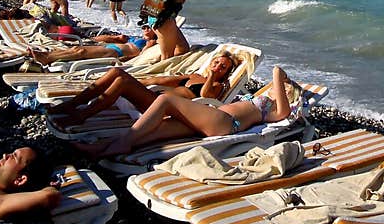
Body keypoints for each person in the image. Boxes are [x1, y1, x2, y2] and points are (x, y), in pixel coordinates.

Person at [75, 65, 294, 159]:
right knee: (158, 129)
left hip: (226, 122)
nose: (279, 88)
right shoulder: (261, 101)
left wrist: (279, 76)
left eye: (284, 89)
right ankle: (101, 148)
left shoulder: (272, 109)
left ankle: (124, 141)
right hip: (210, 119)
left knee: (165, 99)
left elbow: (283, 114)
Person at [47, 50, 237, 128]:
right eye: (217, 62)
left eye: (223, 67)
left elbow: (205, 96)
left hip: (164, 109)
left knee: (122, 82)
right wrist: (137, 82)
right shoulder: (194, 76)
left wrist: (212, 75)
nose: (218, 66)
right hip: (153, 97)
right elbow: (161, 79)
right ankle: (73, 104)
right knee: (117, 72)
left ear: (226, 72)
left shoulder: (218, 86)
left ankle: (82, 115)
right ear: (211, 60)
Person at [29, 25, 159, 66]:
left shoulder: (152, 43)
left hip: (116, 54)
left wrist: (148, 46)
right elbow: (101, 38)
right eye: (144, 27)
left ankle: (47, 58)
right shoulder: (135, 38)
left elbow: (142, 57)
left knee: (81, 53)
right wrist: (115, 38)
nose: (146, 29)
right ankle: (47, 55)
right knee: (76, 49)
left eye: (149, 28)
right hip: (109, 47)